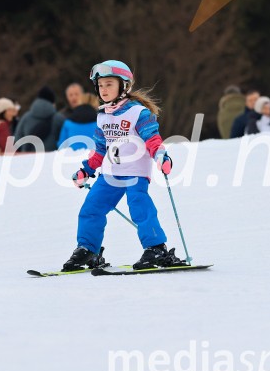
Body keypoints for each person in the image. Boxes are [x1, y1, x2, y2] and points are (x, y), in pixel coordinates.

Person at [65, 59, 182, 272]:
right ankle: (88, 249)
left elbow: (152, 139)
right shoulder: (103, 116)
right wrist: (86, 170)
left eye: (109, 84)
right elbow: (100, 149)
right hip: (110, 173)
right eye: (100, 85)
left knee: (139, 206)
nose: (103, 89)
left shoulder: (138, 113)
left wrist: (161, 156)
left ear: (124, 85)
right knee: (91, 208)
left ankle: (156, 248)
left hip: (135, 172)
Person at [13, 85, 65, 152]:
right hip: (51, 156)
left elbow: (17, 139)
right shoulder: (59, 119)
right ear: (52, 102)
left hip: (28, 156)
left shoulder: (25, 117)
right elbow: (65, 141)